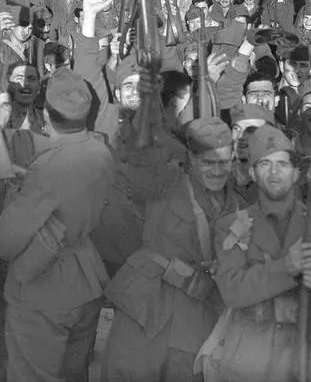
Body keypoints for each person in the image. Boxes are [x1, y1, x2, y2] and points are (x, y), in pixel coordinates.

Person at [0, 68, 113, 382]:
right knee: (74, 373)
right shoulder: (100, 148)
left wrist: (17, 192)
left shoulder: (47, 167)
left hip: (44, 289)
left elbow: (6, 243)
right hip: (85, 278)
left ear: (45, 111)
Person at [103, 118, 244, 382]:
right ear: (190, 158)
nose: (216, 171)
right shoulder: (166, 182)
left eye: (223, 162)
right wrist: (149, 108)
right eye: (207, 162)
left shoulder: (237, 203)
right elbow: (137, 163)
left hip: (196, 316)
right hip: (147, 309)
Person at [203, 125, 311, 380]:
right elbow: (232, 291)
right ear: (252, 172)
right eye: (264, 164)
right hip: (248, 362)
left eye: (282, 164)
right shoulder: (231, 226)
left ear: (296, 174)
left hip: (307, 357)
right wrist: (287, 267)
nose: (274, 173)